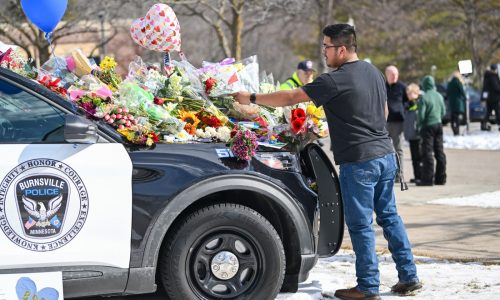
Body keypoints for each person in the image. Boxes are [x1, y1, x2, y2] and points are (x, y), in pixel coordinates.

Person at [233, 23, 421, 300]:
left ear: (341, 49)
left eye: (327, 47)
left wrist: (251, 97)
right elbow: (379, 111)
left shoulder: (333, 79)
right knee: (390, 217)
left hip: (359, 162)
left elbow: (291, 97)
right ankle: (409, 276)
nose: (324, 52)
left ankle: (368, 287)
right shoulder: (374, 72)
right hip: (385, 155)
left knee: (361, 225)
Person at [416, 75, 447, 186]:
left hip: (427, 126)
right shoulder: (439, 96)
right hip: (438, 125)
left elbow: (421, 115)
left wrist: (419, 125)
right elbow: (443, 111)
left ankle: (427, 179)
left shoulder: (424, 98)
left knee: (427, 152)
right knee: (439, 152)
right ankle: (441, 178)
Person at [385, 65, 408, 182]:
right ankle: (386, 175)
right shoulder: (382, 86)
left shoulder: (402, 87)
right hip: (383, 122)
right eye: (392, 74)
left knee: (398, 149)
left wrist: (402, 110)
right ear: (387, 75)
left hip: (397, 122)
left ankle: (399, 175)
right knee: (383, 150)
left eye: (396, 74)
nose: (395, 76)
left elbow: (408, 102)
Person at [404, 83, 422, 183]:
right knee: (414, 158)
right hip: (411, 135)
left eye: (411, 93)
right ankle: (417, 176)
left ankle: (421, 175)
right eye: (408, 94)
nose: (409, 96)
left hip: (418, 135)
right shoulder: (408, 105)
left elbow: (418, 118)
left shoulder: (418, 104)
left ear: (416, 93)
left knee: (419, 157)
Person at [447, 71, 467, 136]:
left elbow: (448, 92)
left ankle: (454, 129)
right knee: (457, 118)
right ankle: (457, 131)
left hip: (451, 102)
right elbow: (462, 92)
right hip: (458, 103)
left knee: (452, 117)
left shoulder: (449, 83)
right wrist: (465, 98)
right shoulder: (458, 83)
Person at [481, 64, 500, 130]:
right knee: (498, 112)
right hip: (494, 98)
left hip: (489, 98)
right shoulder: (493, 77)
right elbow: (496, 87)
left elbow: (485, 88)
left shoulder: (487, 76)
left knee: (488, 112)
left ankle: (483, 125)